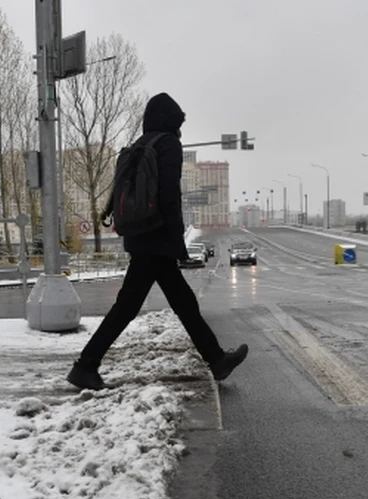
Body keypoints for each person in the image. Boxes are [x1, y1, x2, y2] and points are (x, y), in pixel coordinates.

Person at [66, 93, 248, 391]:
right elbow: (169, 197)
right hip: (157, 237)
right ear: (171, 121)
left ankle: (216, 359)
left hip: (140, 234)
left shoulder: (139, 145)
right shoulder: (167, 144)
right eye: (179, 123)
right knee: (130, 306)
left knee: (179, 302)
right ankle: (85, 366)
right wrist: (177, 242)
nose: (180, 130)